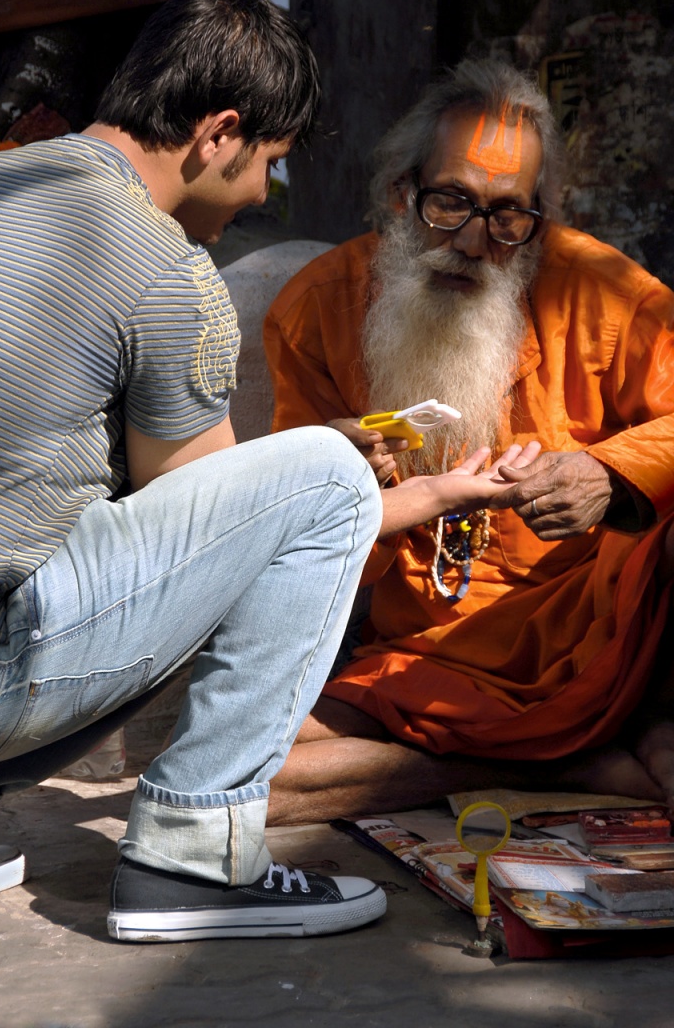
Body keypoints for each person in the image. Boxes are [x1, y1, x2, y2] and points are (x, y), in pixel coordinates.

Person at [0, 0, 539, 943]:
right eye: (269, 161)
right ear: (218, 134)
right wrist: (397, 489)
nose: (265, 194)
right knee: (321, 476)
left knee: (283, 481)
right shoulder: (168, 270)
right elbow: (217, 536)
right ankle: (194, 858)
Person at [263, 58, 674, 826]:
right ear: (401, 194)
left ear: (537, 223)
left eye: (508, 215)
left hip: (599, 638)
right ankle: (566, 766)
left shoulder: (600, 291)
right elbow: (303, 556)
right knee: (244, 781)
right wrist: (343, 488)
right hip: (430, 652)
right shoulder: (315, 310)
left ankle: (591, 739)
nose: (476, 241)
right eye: (450, 202)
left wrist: (607, 473)